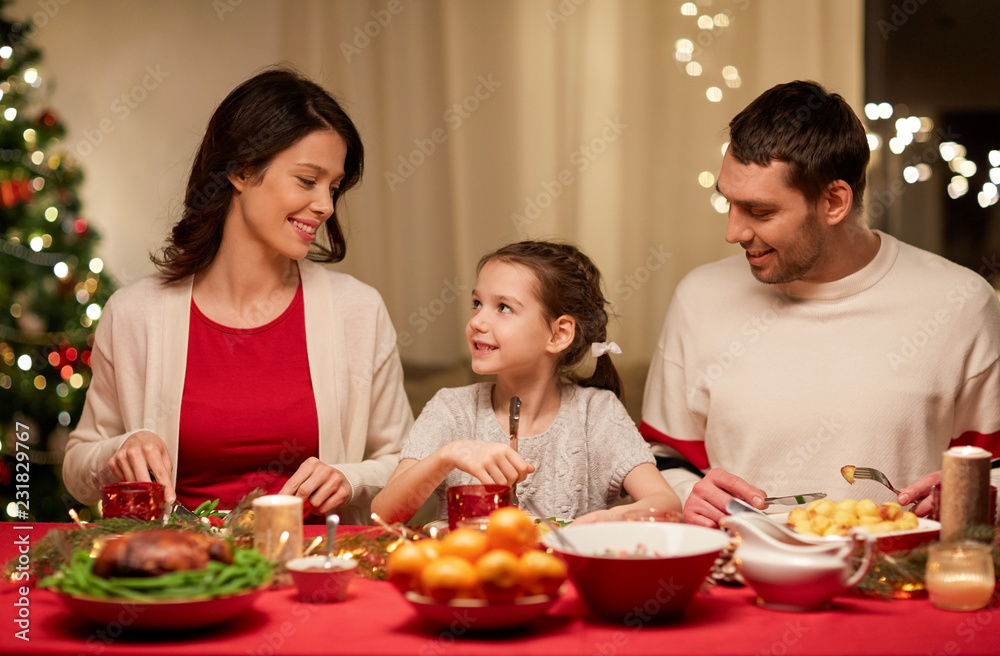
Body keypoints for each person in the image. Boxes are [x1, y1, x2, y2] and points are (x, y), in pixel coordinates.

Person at [640, 80, 1000, 528]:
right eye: (728, 203)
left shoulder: (962, 304)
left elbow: (994, 467)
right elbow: (661, 459)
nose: (733, 232)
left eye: (759, 211)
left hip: (900, 584)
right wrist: (687, 495)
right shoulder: (698, 298)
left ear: (834, 201)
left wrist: (974, 498)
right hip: (741, 582)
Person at [62, 67, 414, 524]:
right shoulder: (134, 314)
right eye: (307, 181)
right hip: (176, 572)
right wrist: (117, 453)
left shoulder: (358, 311)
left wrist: (351, 478)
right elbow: (77, 468)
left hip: (307, 573)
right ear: (241, 170)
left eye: (333, 187)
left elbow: (405, 461)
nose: (326, 206)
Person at [372, 241, 681, 524]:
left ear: (559, 334)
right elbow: (381, 514)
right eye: (477, 303)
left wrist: (603, 522)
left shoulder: (596, 413)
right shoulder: (452, 409)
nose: (477, 322)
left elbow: (666, 504)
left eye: (503, 307)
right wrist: (448, 456)